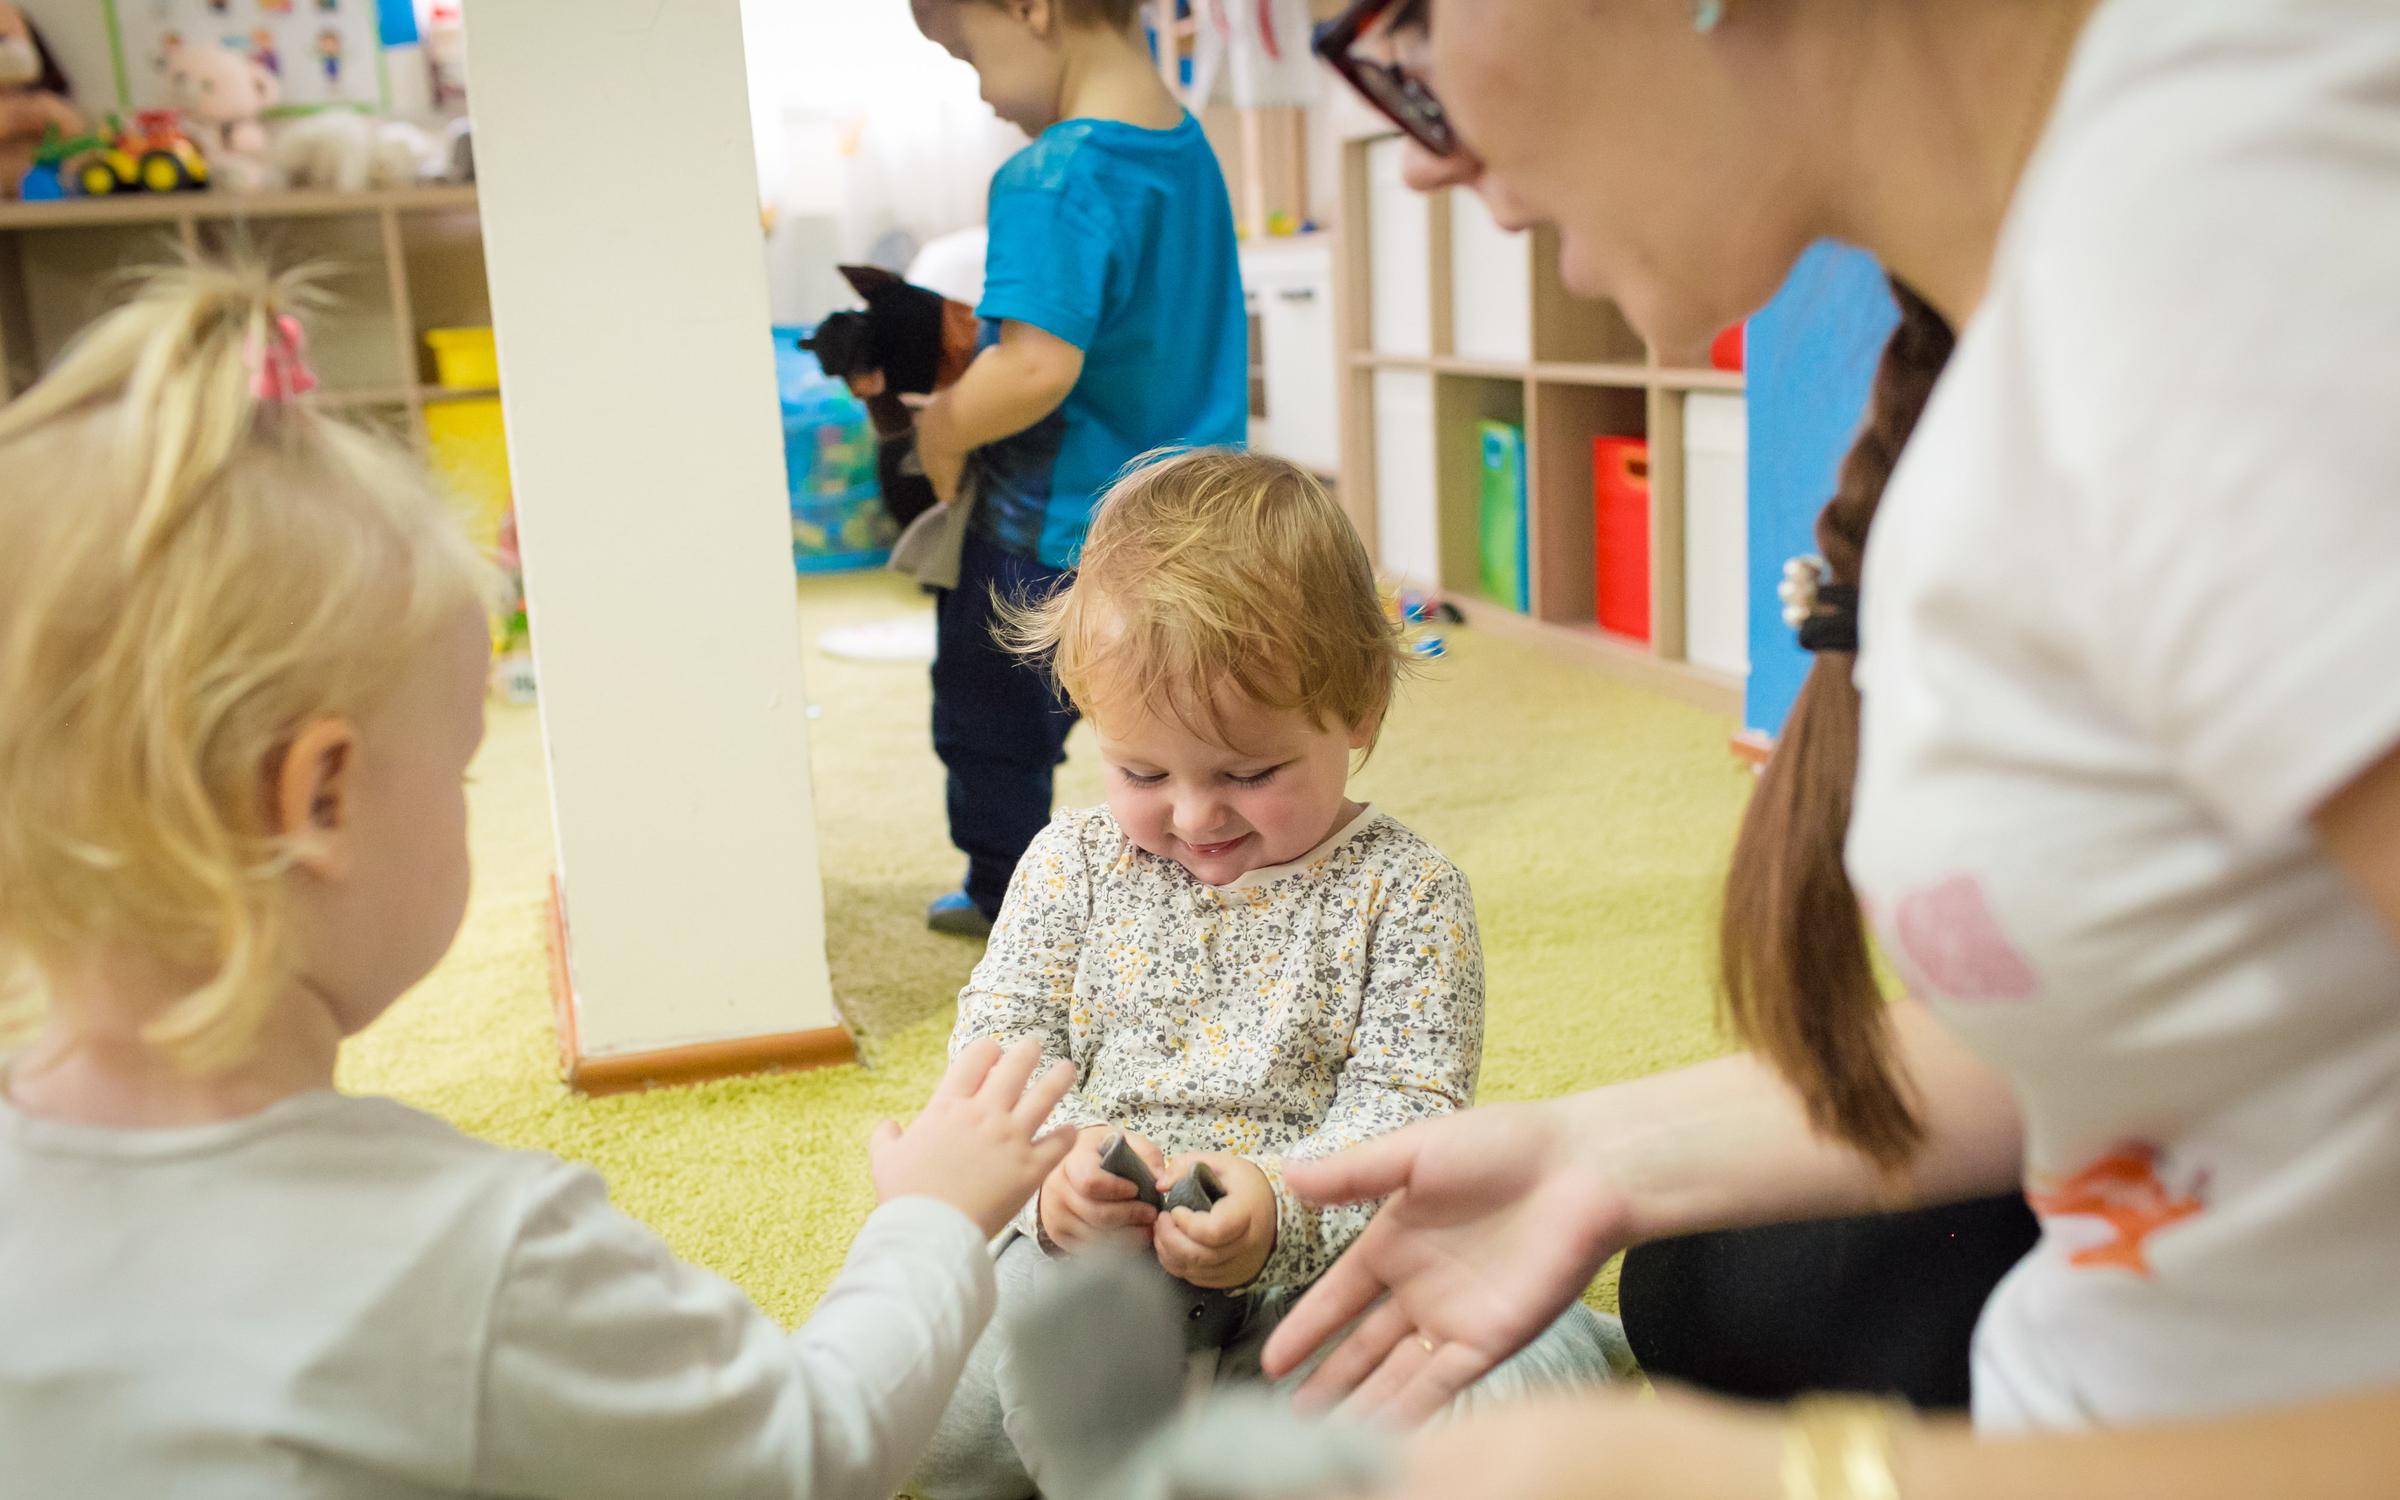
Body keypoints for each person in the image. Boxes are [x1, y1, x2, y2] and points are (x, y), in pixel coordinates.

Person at [1260, 0, 2400, 1495]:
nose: (1414, 149)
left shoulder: (2232, 263)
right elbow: (2207, 988)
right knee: (1711, 1280)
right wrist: (1605, 1156)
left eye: (1399, 25)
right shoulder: (2052, 284)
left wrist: (1806, 1480)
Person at [0, 264, 1085, 1500]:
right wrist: (934, 1219)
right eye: (462, 771)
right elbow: (809, 1449)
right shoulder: (473, 1258)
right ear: (321, 801)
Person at [910, 450, 1625, 1500]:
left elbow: (1407, 1115)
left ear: (1359, 715)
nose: (1196, 818)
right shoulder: (1067, 863)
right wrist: (1058, 1187)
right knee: (927, 1414)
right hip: (1089, 1271)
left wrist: (1278, 1213)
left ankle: (1203, 1439)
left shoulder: (1410, 895)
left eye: (1251, 773)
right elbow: (996, 1062)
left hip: (1321, 1269)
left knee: (1512, 1385)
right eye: (1142, 772)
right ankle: (1188, 1440)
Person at [906, 0, 1248, 938]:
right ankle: (1200, 890)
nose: (979, 91)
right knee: (1182, 729)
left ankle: (1008, 903)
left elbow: (1033, 365)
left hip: (1053, 536)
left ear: (1029, 9)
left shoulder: (1052, 174)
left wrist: (940, 429)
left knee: (990, 723)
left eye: (969, 53)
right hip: (1196, 522)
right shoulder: (1188, 150)